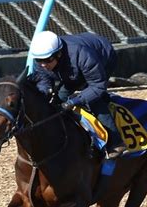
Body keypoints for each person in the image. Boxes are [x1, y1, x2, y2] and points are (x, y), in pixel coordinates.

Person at [28, 30, 126, 159]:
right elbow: (43, 78)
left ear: (58, 53)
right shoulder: (43, 60)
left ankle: (117, 142)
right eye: (39, 60)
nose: (43, 64)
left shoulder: (82, 55)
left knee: (95, 101)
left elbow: (98, 86)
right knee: (57, 99)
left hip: (103, 56)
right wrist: (44, 92)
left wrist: (74, 102)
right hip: (72, 68)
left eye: (47, 60)